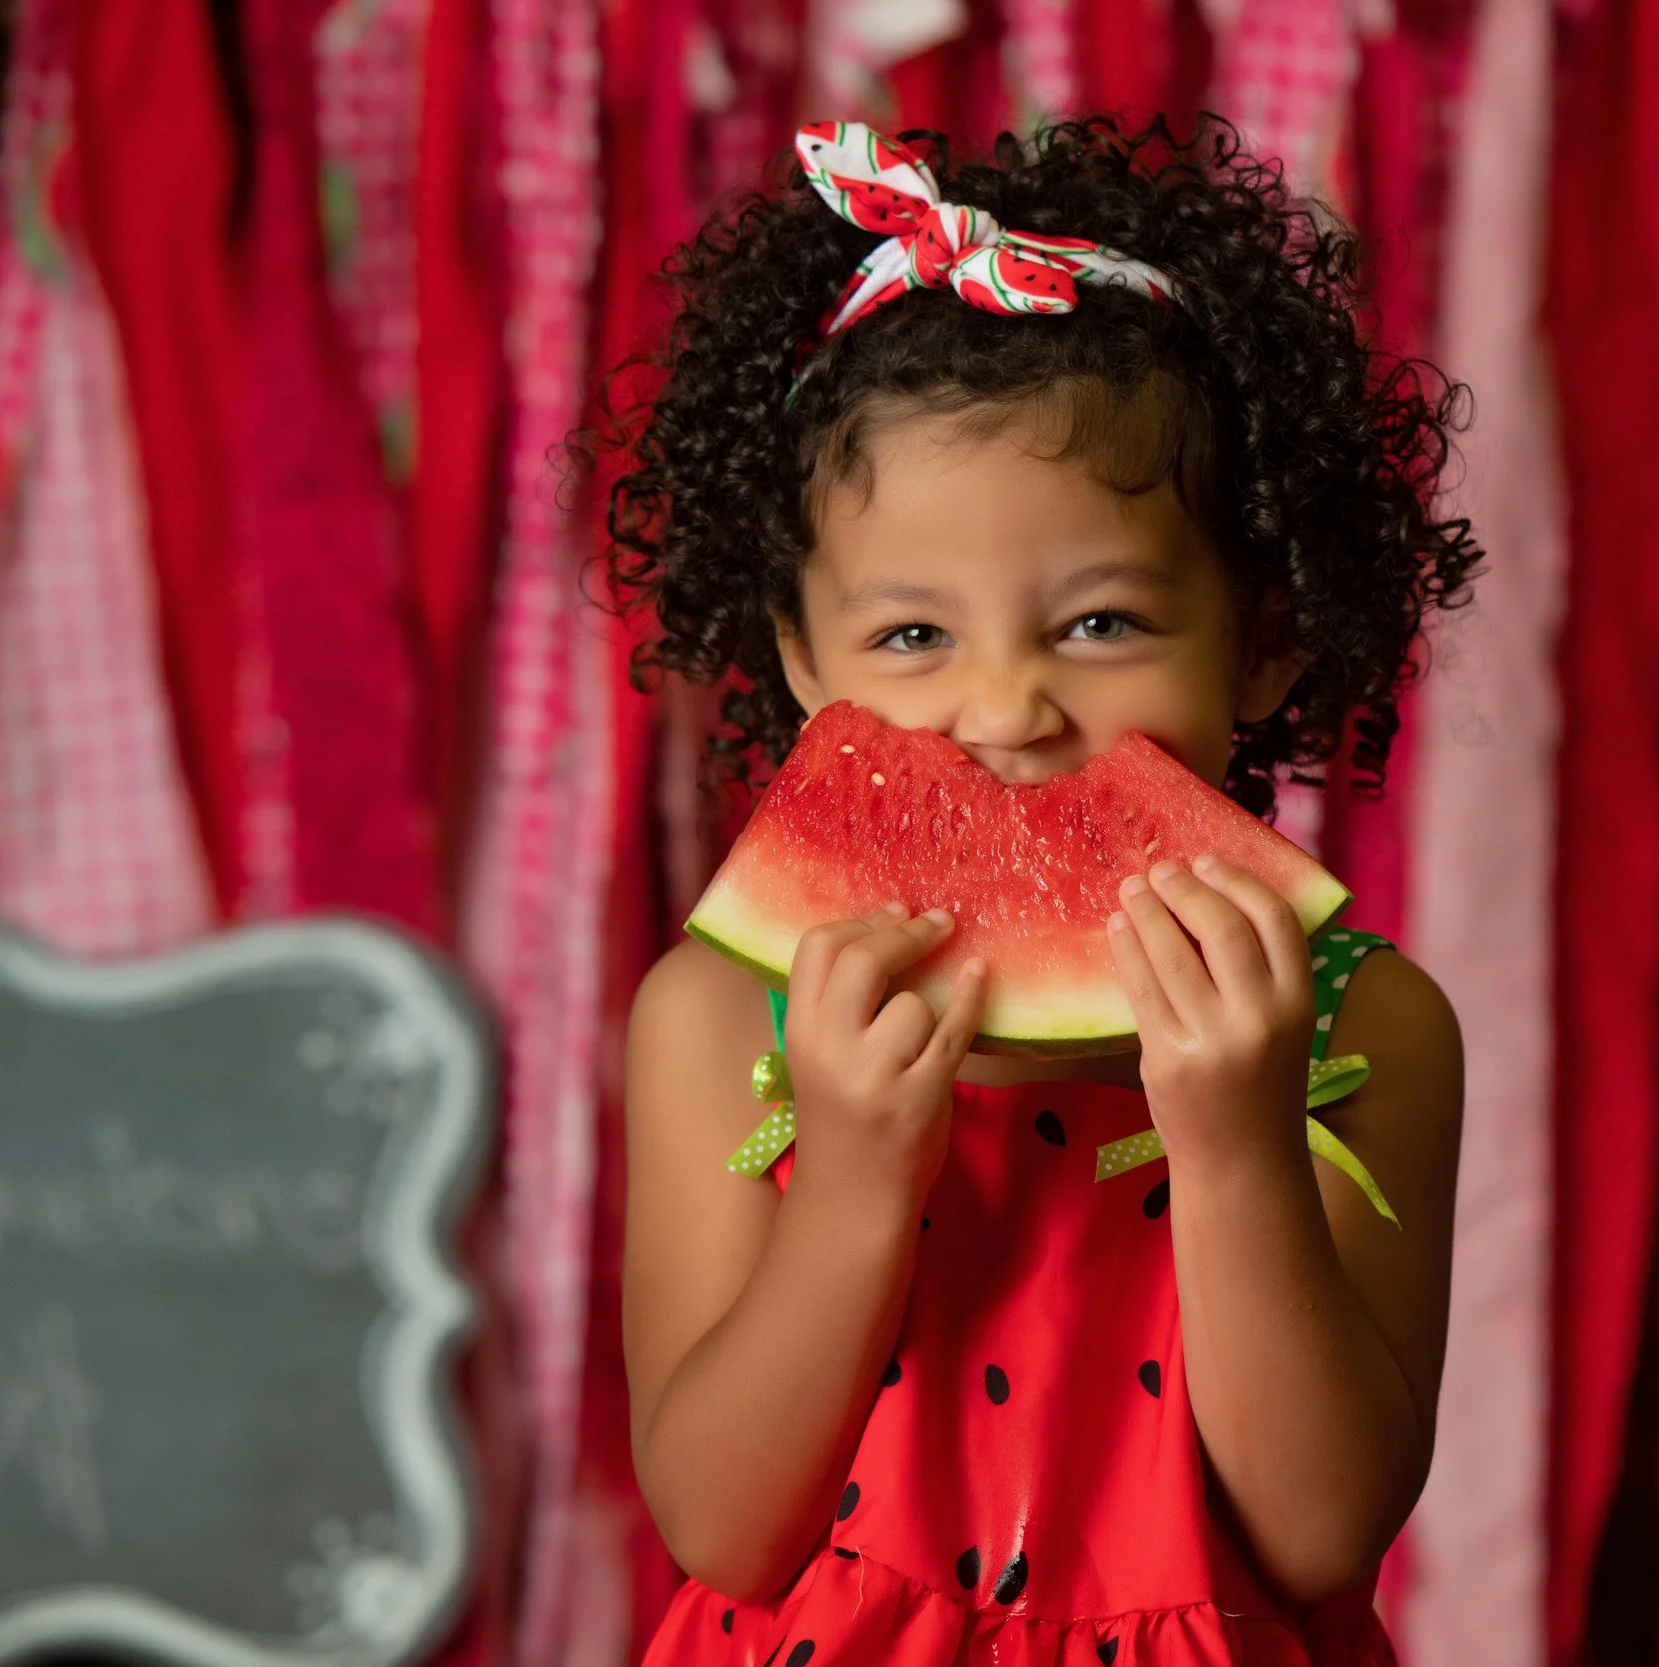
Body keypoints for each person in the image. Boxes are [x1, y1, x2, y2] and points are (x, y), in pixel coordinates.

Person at [611, 115, 1476, 1665]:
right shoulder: (717, 1014)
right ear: (801, 664)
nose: (1006, 710)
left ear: (1264, 636)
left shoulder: (1370, 1023)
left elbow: (1321, 1532)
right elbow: (722, 1527)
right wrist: (860, 1183)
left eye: (1096, 625)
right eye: (912, 639)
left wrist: (1238, 1152)